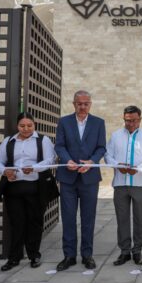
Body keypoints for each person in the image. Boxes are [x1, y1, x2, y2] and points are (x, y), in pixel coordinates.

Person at [0, 112, 56, 271]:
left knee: (35, 222)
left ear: (34, 125)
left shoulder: (43, 140)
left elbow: (50, 159)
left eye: (29, 125)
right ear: (17, 126)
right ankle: (14, 257)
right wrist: (4, 170)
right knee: (17, 223)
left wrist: (34, 168)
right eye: (22, 126)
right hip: (13, 188)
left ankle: (34, 255)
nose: (26, 129)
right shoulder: (8, 141)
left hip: (35, 187)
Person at [55, 90, 106, 271]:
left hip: (89, 178)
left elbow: (101, 148)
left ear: (90, 104)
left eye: (86, 103)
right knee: (68, 218)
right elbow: (59, 145)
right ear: (73, 104)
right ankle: (69, 256)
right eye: (79, 103)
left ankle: (87, 255)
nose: (82, 107)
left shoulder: (99, 123)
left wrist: (92, 162)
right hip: (68, 178)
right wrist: (67, 160)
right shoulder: (64, 122)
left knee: (88, 218)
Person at [105, 106, 142, 266]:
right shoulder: (116, 136)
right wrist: (117, 165)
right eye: (127, 120)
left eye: (134, 120)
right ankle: (124, 251)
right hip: (120, 183)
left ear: (139, 119)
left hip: (139, 183)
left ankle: (138, 251)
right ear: (123, 119)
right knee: (122, 218)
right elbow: (107, 155)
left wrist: (138, 169)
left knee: (140, 218)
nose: (130, 123)